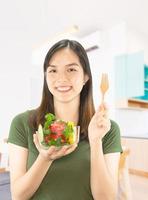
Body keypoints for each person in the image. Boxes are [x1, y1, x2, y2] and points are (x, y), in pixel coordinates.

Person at [8, 39, 122, 200]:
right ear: (46, 76)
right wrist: (45, 158)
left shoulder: (107, 129)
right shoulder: (22, 123)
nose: (61, 78)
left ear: (85, 77)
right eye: (53, 71)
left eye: (71, 69)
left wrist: (96, 142)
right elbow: (18, 196)